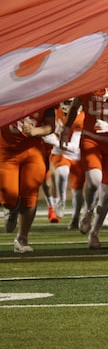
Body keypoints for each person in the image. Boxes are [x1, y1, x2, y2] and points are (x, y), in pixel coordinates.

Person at [61, 84, 108, 249]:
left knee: (107, 193)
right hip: (91, 139)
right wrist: (66, 128)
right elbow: (75, 106)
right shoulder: (88, 83)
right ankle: (89, 210)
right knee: (94, 181)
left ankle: (94, 233)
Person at [1, 107, 55, 253]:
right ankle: (12, 209)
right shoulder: (5, 92)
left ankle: (22, 238)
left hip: (32, 150)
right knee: (8, 193)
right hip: (6, 150)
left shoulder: (42, 93)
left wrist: (35, 131)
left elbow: (51, 126)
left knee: (30, 194)